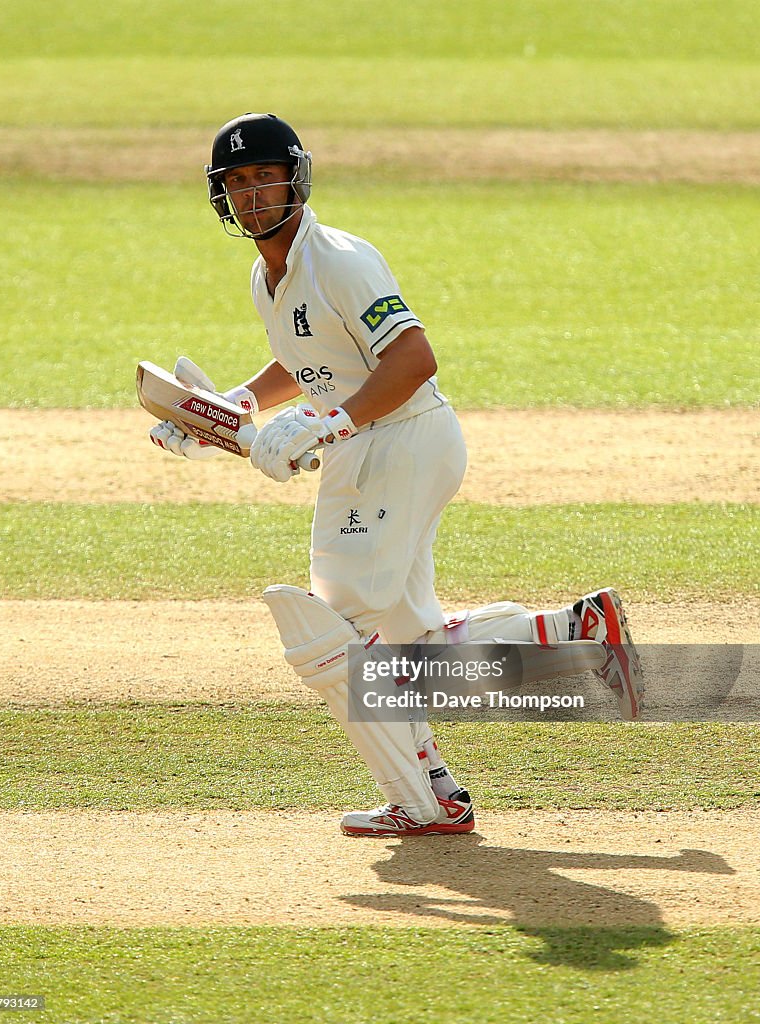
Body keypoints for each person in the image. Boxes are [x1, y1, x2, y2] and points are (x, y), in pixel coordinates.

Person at [149, 112, 644, 838]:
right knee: (411, 636)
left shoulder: (341, 258)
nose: (252, 193)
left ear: (296, 176)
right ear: (221, 196)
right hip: (375, 447)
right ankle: (574, 631)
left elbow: (412, 360)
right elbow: (310, 355)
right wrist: (233, 407)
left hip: (400, 439)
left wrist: (328, 423)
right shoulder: (267, 276)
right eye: (237, 182)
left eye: (264, 176)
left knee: (336, 636)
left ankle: (424, 801)